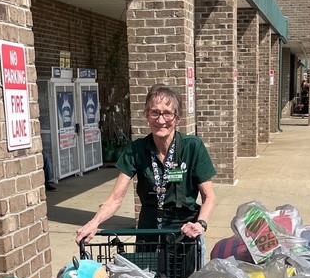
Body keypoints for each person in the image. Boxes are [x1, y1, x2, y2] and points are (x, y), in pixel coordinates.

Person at [75, 84, 216, 248]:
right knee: (144, 273)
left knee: (183, 273)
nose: (160, 120)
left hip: (184, 232)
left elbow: (209, 197)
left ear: (177, 118)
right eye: (155, 112)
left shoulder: (192, 147)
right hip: (148, 230)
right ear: (147, 115)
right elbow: (115, 198)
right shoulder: (136, 149)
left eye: (167, 114)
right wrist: (94, 222)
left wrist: (201, 223)